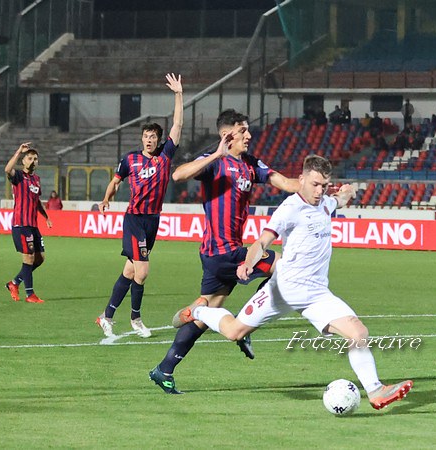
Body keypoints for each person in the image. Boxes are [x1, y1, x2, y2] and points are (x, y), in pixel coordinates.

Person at [173, 155, 413, 409]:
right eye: (315, 184)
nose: (319, 191)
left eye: (324, 185)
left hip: (317, 294)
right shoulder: (290, 208)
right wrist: (248, 264)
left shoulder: (325, 203)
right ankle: (199, 310)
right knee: (234, 332)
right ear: (302, 180)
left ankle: (376, 392)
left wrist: (348, 192)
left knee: (358, 332)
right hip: (284, 290)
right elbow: (262, 241)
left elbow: (339, 200)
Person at [148, 108, 300, 394]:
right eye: (243, 131)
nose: (249, 135)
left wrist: (314, 187)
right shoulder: (214, 163)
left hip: (221, 254)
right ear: (227, 135)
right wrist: (216, 154)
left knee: (207, 313)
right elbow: (178, 174)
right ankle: (247, 321)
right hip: (223, 252)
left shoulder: (250, 164)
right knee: (284, 264)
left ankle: (164, 369)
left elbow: (285, 183)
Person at [95, 73, 184, 339]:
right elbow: (115, 181)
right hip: (134, 218)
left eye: (153, 136)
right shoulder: (129, 160)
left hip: (152, 221)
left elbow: (178, 124)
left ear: (159, 140)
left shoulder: (165, 157)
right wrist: (106, 198)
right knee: (143, 271)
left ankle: (106, 316)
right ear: (141, 138)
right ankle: (136, 319)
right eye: (145, 136)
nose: (149, 140)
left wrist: (179, 94)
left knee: (130, 271)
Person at [4, 143, 53, 304]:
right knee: (29, 258)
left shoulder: (36, 180)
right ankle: (30, 294)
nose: (33, 161)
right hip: (21, 224)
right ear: (23, 161)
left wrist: (45, 216)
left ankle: (14, 283)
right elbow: (7, 170)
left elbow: (37, 201)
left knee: (40, 259)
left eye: (35, 158)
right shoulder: (18, 176)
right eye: (30, 158)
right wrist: (18, 151)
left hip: (33, 225)